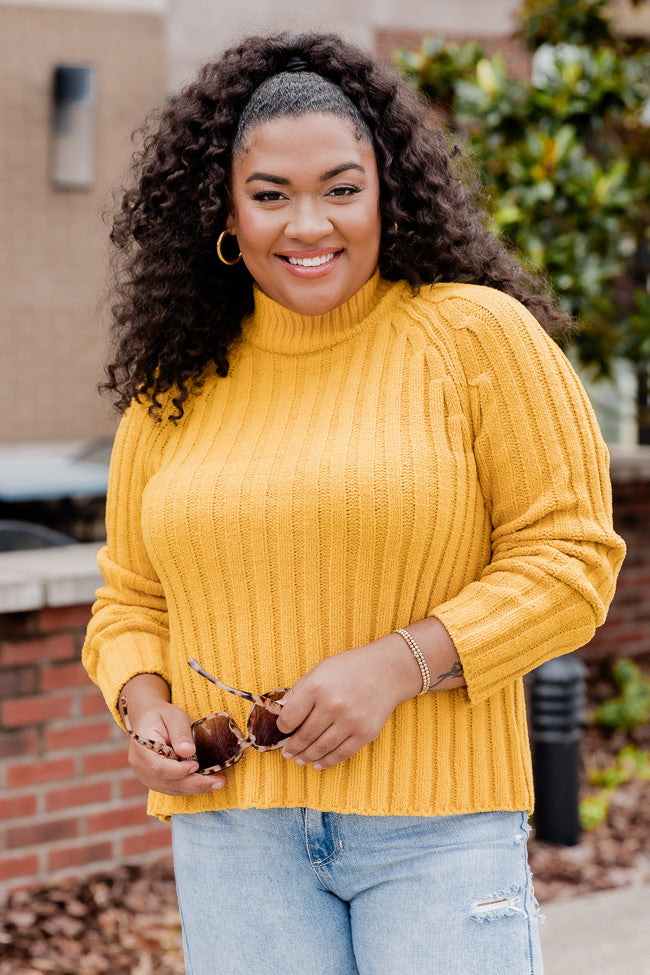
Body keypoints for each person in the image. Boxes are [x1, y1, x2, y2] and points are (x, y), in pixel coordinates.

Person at [82, 30, 626, 975]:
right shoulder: (175, 384)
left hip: (439, 832)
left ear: (388, 194)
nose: (308, 225)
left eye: (341, 188)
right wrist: (143, 704)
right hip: (235, 837)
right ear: (224, 210)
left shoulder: (476, 339)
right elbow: (130, 597)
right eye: (269, 196)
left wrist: (399, 665)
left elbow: (573, 560)